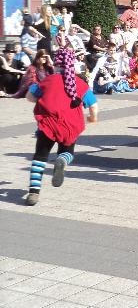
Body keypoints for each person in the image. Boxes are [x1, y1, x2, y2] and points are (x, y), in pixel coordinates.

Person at [23, 48, 98, 206]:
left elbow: (30, 97)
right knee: (68, 152)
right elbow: (93, 105)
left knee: (40, 157)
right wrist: (92, 118)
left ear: (56, 64)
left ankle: (33, 193)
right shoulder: (80, 84)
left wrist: (42, 99)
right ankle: (62, 161)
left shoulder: (48, 81)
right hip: (70, 126)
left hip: (48, 125)